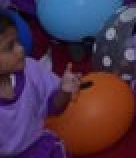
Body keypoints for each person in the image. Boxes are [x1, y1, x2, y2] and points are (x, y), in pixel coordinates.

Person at [0, 13, 83, 158]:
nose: (20, 49)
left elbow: (53, 108)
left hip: (40, 147)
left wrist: (64, 91)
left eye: (18, 41)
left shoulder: (31, 69)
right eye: (9, 47)